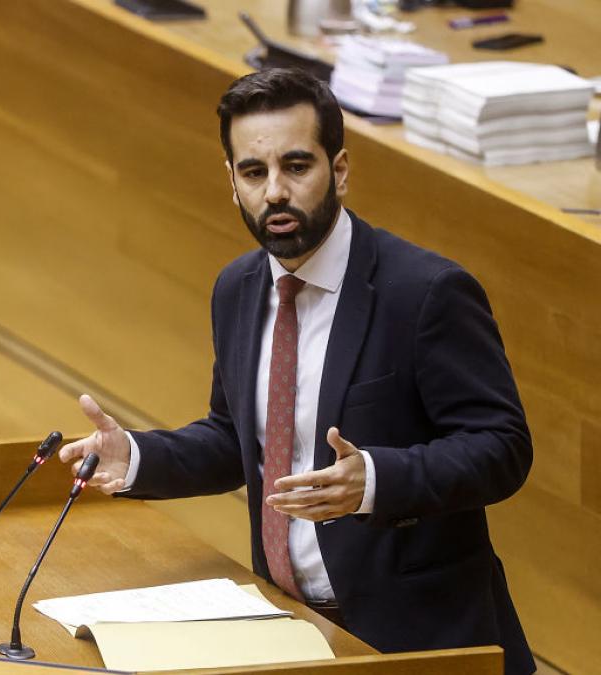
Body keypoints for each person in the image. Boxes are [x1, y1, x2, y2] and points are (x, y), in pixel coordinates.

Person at [58, 68, 534, 674]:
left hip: (421, 639)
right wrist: (140, 457)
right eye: (254, 173)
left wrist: (378, 480)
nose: (275, 192)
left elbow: (503, 447)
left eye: (297, 166)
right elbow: (238, 441)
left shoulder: (424, 293)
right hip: (294, 629)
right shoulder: (238, 288)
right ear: (232, 182)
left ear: (339, 170)